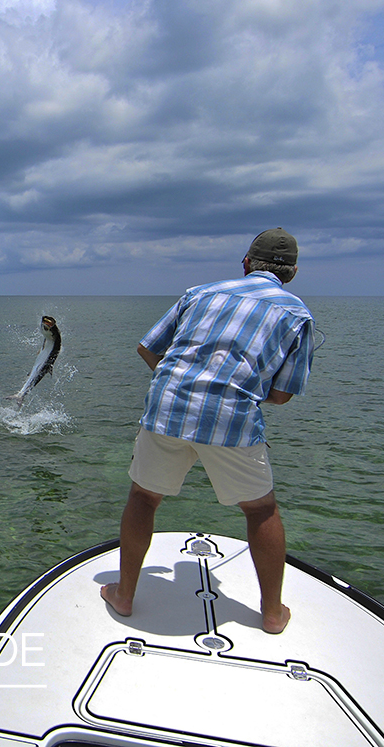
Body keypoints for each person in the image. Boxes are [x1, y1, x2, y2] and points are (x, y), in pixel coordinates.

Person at [100, 227, 314, 634]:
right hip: (232, 418)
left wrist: (184, 384)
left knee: (144, 497)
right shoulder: (297, 315)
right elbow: (283, 395)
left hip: (168, 406)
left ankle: (124, 595)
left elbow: (148, 347)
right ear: (293, 272)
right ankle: (271, 614)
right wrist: (230, 390)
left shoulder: (199, 293)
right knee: (260, 509)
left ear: (246, 263)